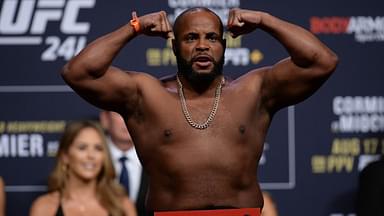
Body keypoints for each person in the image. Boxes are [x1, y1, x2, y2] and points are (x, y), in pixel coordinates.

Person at [61, 7, 338, 215]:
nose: (202, 45)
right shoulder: (147, 94)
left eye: (212, 38)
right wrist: (134, 27)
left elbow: (321, 61)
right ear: (174, 46)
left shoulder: (254, 90)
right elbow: (78, 72)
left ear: (223, 45)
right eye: (191, 38)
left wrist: (265, 20)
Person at [30, 120, 137, 216]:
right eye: (82, 148)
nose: (91, 155)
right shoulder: (45, 207)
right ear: (65, 156)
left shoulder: (123, 206)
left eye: (98, 148)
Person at [100, 110, 148, 216]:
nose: (128, 121)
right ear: (105, 119)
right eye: (120, 114)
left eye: (136, 114)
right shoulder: (91, 162)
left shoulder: (158, 162)